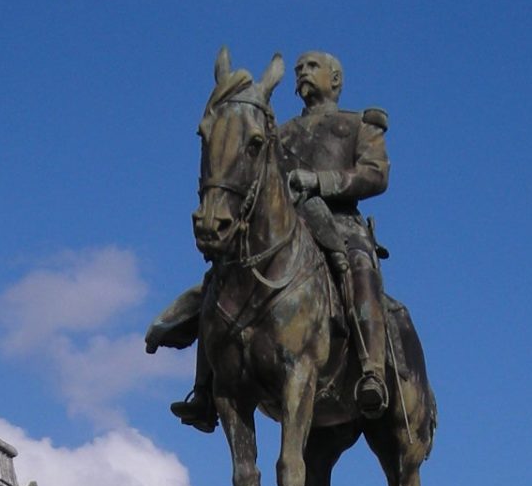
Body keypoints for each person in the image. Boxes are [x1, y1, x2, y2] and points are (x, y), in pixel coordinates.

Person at [146, 50, 392, 432]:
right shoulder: (283, 129)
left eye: (312, 67)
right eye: (299, 69)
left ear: (336, 80)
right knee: (222, 276)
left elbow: (375, 175)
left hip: (341, 223)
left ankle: (372, 371)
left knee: (361, 268)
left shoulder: (359, 124)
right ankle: (205, 391)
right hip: (289, 224)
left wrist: (319, 182)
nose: (303, 73)